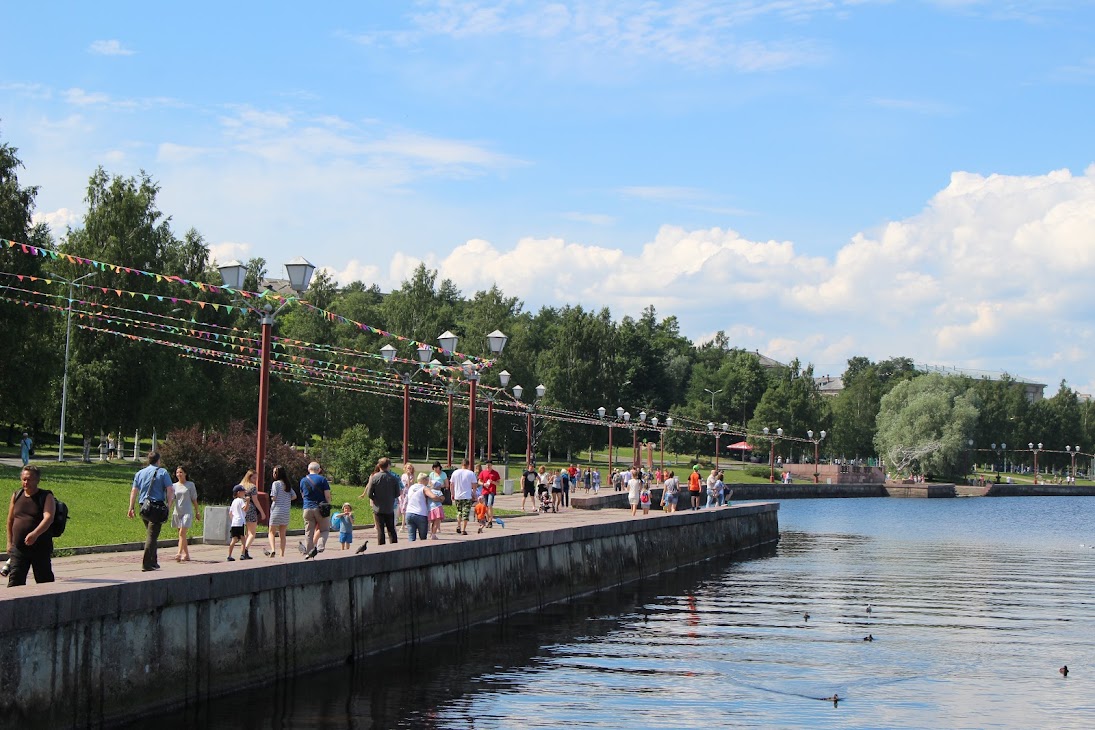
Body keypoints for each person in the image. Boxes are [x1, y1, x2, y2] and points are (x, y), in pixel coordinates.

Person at [6, 465, 55, 586]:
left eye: (29, 479)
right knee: (15, 581)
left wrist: (35, 534)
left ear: (37, 480)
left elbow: (48, 518)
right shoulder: (17, 495)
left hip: (40, 547)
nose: (26, 482)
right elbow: (10, 520)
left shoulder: (46, 496)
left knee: (44, 580)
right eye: (23, 479)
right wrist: (9, 542)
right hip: (19, 548)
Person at [127, 451, 173, 572]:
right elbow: (170, 489)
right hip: (156, 507)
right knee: (152, 535)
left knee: (152, 532)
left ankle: (154, 561)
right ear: (158, 460)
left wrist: (131, 507)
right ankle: (146, 563)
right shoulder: (162, 472)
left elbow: (134, 491)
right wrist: (169, 505)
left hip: (144, 507)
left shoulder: (140, 473)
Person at [363, 457, 401, 545]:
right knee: (391, 529)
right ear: (388, 466)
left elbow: (369, 493)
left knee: (380, 530)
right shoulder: (393, 478)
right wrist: (390, 498)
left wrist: (375, 499)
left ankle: (381, 548)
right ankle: (394, 547)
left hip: (378, 508)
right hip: (389, 507)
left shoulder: (374, 478)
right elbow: (397, 493)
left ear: (379, 466)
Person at [299, 461, 333, 558]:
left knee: (309, 532)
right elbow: (327, 495)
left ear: (308, 469)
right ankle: (320, 546)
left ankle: (309, 552)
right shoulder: (322, 479)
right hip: (320, 508)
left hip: (307, 508)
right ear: (319, 470)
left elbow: (302, 495)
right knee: (324, 530)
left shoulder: (303, 480)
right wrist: (328, 505)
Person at [169, 465, 200, 562]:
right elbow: (171, 499)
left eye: (181, 472)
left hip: (187, 512)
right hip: (177, 512)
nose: (179, 474)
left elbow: (194, 498)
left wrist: (197, 511)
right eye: (177, 472)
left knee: (182, 532)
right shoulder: (174, 486)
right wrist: (167, 509)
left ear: (185, 473)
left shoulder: (190, 485)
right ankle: (186, 555)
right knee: (181, 534)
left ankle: (179, 553)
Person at [265, 465, 297, 557]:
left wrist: (273, 498)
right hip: (285, 511)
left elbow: (274, 497)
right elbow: (294, 496)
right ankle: (282, 554)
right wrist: (286, 499)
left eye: (274, 472)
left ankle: (273, 549)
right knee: (282, 534)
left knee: (271, 531)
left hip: (276, 510)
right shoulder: (287, 485)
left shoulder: (276, 484)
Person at [238, 469, 266, 560]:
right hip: (250, 510)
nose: (256, 480)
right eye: (254, 478)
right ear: (249, 477)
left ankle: (244, 551)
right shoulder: (252, 487)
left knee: (246, 533)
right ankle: (245, 550)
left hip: (241, 510)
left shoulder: (240, 486)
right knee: (252, 533)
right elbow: (255, 501)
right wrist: (262, 512)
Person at [406, 472, 442, 542]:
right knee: (423, 539)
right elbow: (433, 497)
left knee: (411, 537)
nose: (428, 481)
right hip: (420, 514)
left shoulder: (412, 487)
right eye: (427, 480)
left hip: (409, 513)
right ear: (424, 480)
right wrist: (440, 499)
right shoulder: (424, 488)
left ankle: (411, 551)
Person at [448, 457, 477, 536]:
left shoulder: (455, 473)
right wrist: (474, 494)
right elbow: (474, 485)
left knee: (459, 512)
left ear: (461, 464)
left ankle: (458, 525)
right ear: (468, 465)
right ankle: (463, 529)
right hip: (467, 496)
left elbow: (451, 484)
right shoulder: (471, 473)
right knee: (466, 513)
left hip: (458, 495)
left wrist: (452, 494)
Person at [226, 486, 247, 561]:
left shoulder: (233, 501)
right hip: (241, 522)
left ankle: (229, 555)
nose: (244, 493)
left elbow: (230, 513)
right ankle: (242, 554)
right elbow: (245, 509)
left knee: (234, 539)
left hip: (234, 523)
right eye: (243, 491)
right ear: (238, 493)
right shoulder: (241, 501)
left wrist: (233, 520)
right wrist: (248, 502)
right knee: (243, 539)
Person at [427, 462, 447, 539]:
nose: (435, 469)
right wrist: (440, 499)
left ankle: (431, 532)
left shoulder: (429, 491)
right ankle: (433, 534)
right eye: (434, 467)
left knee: (432, 521)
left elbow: (446, 484)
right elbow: (442, 498)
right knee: (436, 521)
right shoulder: (438, 492)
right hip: (437, 507)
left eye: (436, 467)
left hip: (430, 507)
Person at [477, 460, 500, 525]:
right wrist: (483, 484)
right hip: (485, 490)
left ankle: (490, 520)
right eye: (487, 465)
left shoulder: (495, 473)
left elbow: (498, 483)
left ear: (491, 465)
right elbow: (479, 481)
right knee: (486, 505)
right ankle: (487, 518)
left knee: (489, 504)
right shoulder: (483, 472)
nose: (488, 466)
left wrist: (493, 482)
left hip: (491, 490)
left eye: (489, 465)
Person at [399, 463, 416, 530]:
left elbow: (409, 485)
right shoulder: (403, 476)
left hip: (408, 494)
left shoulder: (412, 476)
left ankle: (403, 525)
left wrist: (409, 477)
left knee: (404, 509)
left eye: (410, 468)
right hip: (402, 493)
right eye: (408, 468)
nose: (409, 470)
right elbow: (401, 485)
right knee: (401, 509)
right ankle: (404, 524)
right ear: (405, 469)